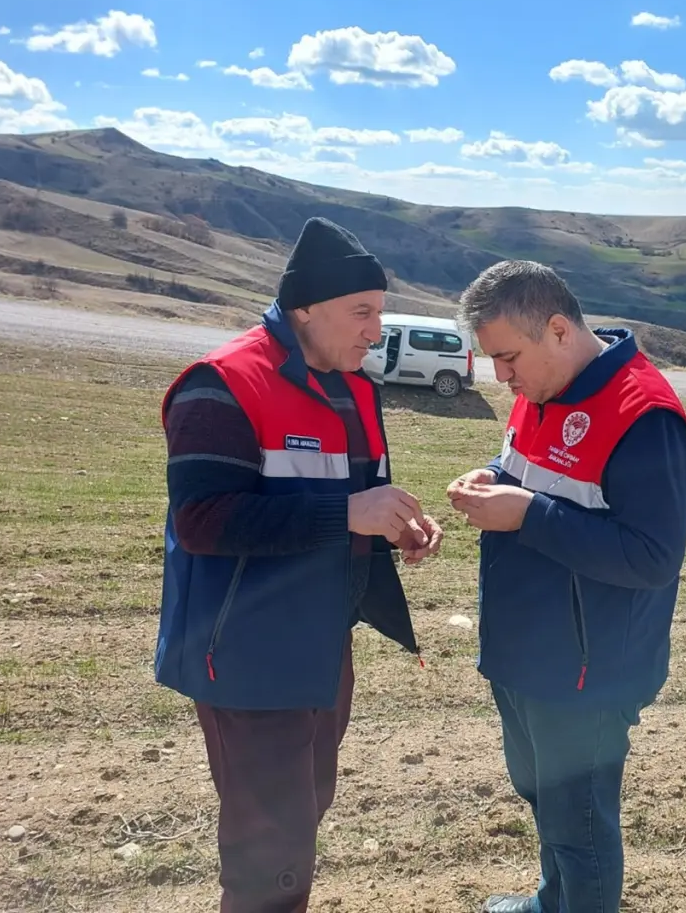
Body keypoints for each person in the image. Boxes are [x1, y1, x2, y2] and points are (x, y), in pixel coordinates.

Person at [155, 216, 443, 913]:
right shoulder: (220, 383)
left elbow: (357, 501)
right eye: (362, 313)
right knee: (270, 850)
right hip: (247, 650)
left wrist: (395, 530)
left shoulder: (355, 389)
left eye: (379, 312)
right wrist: (347, 515)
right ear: (304, 309)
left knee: (301, 813)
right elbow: (202, 521)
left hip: (321, 643)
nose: (376, 331)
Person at [447, 260, 686, 913]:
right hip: (525, 651)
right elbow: (527, 469)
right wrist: (493, 477)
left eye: (506, 357)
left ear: (557, 329)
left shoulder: (643, 415)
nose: (500, 377)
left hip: (586, 672)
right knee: (542, 796)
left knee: (580, 827)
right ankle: (549, 902)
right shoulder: (542, 386)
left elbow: (652, 557)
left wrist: (526, 513)